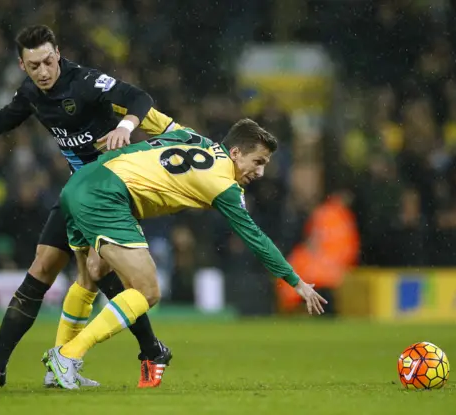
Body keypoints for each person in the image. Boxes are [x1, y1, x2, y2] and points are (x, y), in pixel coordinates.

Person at [0, 24, 180, 389]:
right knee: (43, 267)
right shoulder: (31, 94)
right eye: (34, 65)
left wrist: (127, 126)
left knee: (101, 273)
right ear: (22, 66)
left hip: (110, 193)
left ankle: (148, 351)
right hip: (77, 193)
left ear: (58, 54)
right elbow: (4, 119)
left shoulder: (84, 81)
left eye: (48, 61)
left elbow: (140, 97)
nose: (43, 71)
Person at [43, 119, 328, 389]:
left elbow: (151, 115)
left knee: (89, 278)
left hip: (80, 180)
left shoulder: (191, 137)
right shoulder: (224, 184)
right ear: (236, 152)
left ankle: (57, 370)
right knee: (148, 291)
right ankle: (69, 355)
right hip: (108, 194)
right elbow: (256, 238)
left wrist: (126, 120)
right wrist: (296, 282)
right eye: (258, 162)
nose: (261, 172)